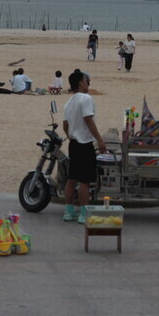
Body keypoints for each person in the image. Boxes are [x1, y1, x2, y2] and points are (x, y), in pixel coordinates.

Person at [62, 69, 107, 223]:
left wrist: (71, 135)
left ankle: (68, 212)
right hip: (84, 144)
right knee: (85, 181)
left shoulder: (69, 102)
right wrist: (100, 140)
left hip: (73, 144)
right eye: (87, 80)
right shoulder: (86, 98)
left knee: (72, 178)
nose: (88, 83)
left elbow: (65, 125)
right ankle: (83, 213)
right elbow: (89, 120)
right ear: (81, 82)